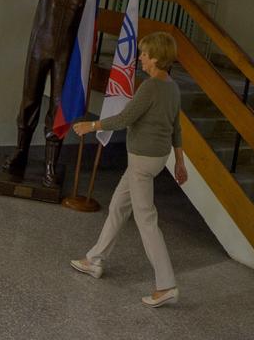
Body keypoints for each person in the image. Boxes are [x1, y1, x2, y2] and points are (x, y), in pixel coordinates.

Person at [69, 31, 187, 308]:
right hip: (153, 159)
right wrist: (179, 161)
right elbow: (177, 128)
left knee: (146, 220)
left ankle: (166, 285)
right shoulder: (172, 87)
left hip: (142, 161)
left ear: (156, 58)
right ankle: (94, 259)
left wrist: (91, 125)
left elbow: (124, 118)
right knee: (118, 207)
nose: (141, 58)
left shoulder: (151, 87)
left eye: (145, 54)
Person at [0, 0, 91, 187]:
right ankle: (20, 152)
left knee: (59, 108)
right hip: (39, 49)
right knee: (29, 101)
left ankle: (50, 164)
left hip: (65, 55)